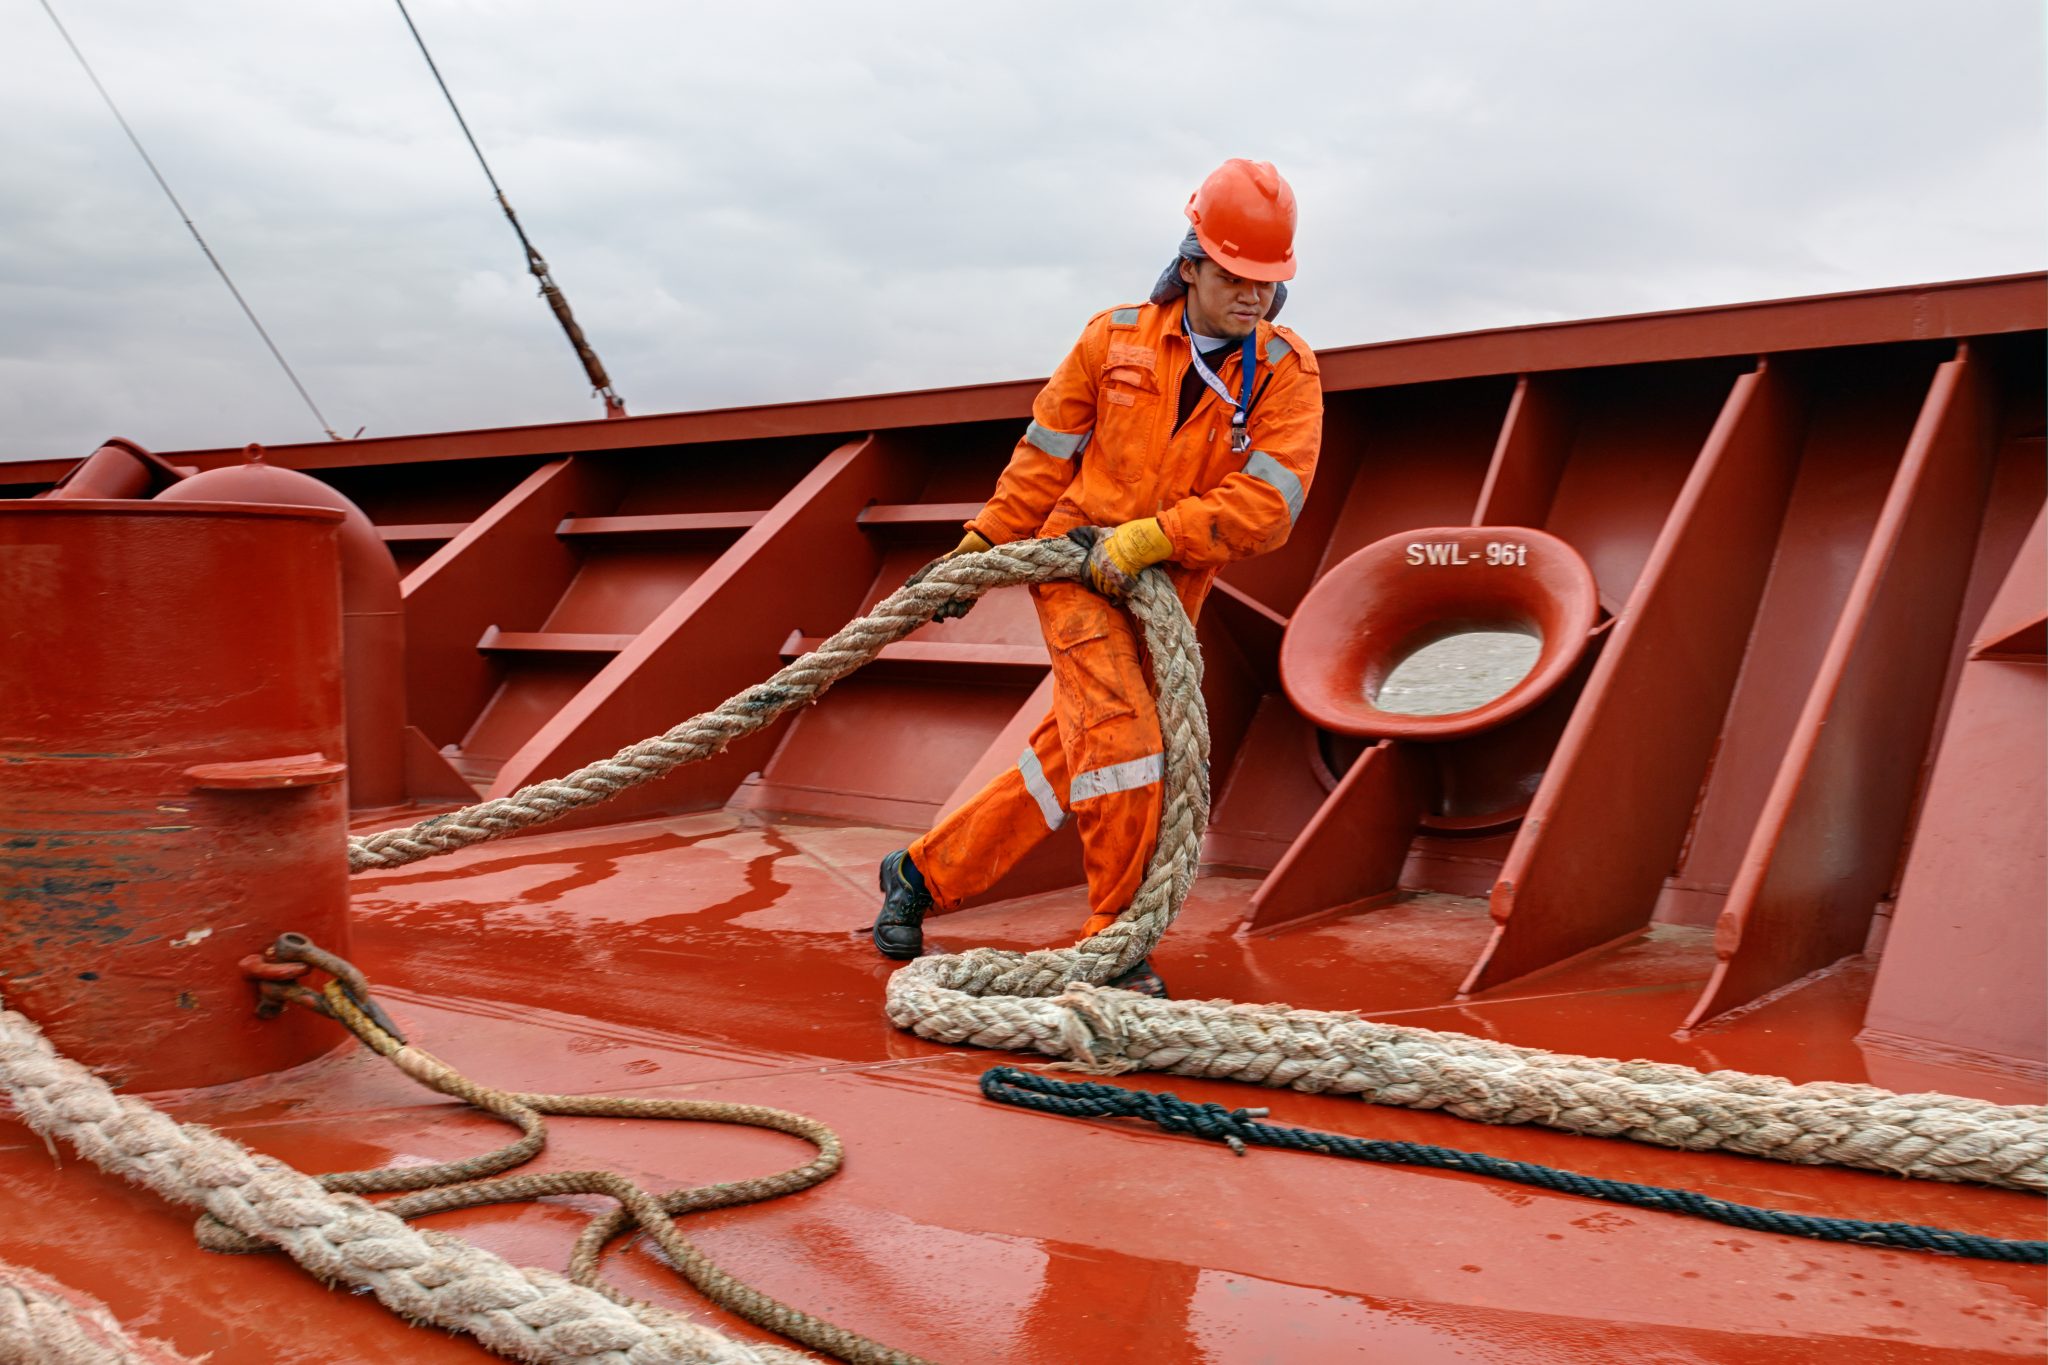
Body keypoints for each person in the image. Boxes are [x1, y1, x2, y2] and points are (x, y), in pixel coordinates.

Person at [871, 159, 1324, 996]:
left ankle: (918, 874)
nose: (1253, 294)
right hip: (1075, 569)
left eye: (1267, 278)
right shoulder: (1112, 339)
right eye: (1234, 275)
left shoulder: (1285, 374)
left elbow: (1269, 505)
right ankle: (1114, 941)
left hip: (1167, 590)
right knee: (1121, 744)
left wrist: (1155, 537)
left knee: (1066, 762)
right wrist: (980, 545)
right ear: (1191, 263)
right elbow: (1043, 459)